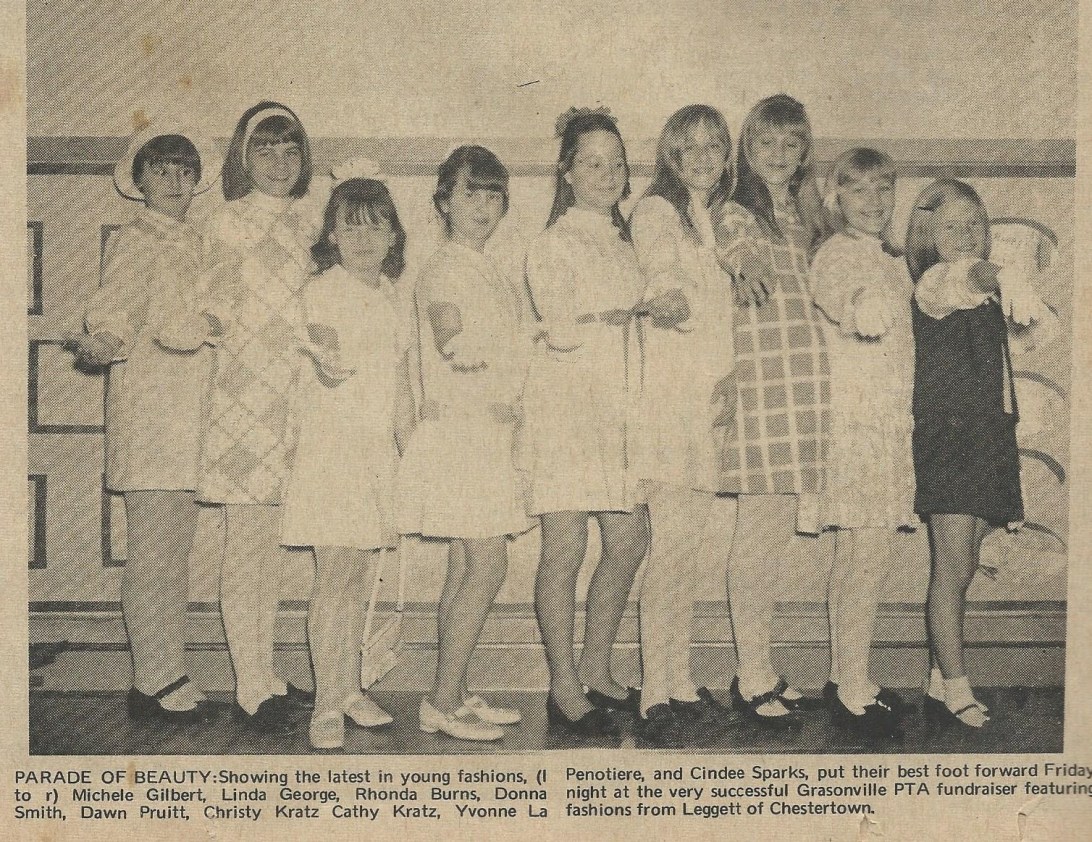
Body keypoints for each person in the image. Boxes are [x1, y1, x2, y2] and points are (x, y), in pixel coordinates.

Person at [69, 120, 221, 723]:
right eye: (161, 170)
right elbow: (113, 310)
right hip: (152, 416)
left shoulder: (201, 241)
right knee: (154, 552)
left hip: (193, 414)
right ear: (139, 180)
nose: (175, 181)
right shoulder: (134, 241)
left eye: (185, 171)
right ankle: (155, 678)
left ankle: (165, 670)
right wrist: (102, 341)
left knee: (175, 552)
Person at [199, 101, 329, 731]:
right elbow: (211, 305)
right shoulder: (226, 221)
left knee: (273, 546)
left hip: (298, 398)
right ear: (243, 158)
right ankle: (250, 685)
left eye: (289, 149)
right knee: (247, 546)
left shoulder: (310, 222)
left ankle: (267, 670)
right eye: (266, 150)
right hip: (245, 399)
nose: (280, 162)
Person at [398, 146, 534, 741]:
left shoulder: (486, 266)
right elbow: (449, 331)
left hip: (486, 434)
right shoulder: (445, 267)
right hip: (463, 435)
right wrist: (468, 349)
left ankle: (448, 694)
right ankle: (442, 702)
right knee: (487, 563)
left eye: (492, 194)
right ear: (444, 203)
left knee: (465, 566)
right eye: (469, 193)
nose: (482, 206)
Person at [522, 108, 650, 737]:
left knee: (629, 540)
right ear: (567, 172)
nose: (607, 173)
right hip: (568, 406)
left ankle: (597, 667)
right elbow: (562, 327)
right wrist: (620, 315)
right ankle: (564, 685)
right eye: (592, 162)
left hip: (622, 406)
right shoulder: (553, 242)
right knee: (566, 545)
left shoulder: (629, 243)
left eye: (616, 162)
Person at [907, 179, 1052, 730]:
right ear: (928, 234)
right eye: (952, 225)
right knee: (951, 566)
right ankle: (957, 688)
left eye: (975, 223)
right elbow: (967, 276)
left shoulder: (982, 293)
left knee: (963, 563)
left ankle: (938, 676)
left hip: (983, 437)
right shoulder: (935, 282)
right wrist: (1006, 275)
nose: (967, 233)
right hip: (949, 440)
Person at [281, 170, 416, 749]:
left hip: (376, 455)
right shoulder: (320, 291)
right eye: (351, 227)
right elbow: (322, 351)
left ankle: (349, 686)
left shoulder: (393, 297)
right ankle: (326, 704)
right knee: (335, 577)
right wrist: (326, 359)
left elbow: (402, 384)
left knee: (361, 576)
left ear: (393, 236)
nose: (363, 239)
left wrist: (412, 450)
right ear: (332, 235)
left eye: (376, 227)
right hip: (331, 454)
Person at [713, 94, 830, 728]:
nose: (779, 154)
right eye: (766, 143)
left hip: (809, 391)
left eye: (791, 143)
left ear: (805, 151)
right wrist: (747, 259)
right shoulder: (738, 211)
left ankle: (760, 664)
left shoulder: (812, 217)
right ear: (747, 149)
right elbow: (734, 246)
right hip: (763, 389)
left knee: (776, 536)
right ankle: (752, 674)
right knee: (757, 536)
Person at [629, 104, 738, 747]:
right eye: (688, 147)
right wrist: (667, 297)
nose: (701, 158)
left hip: (710, 402)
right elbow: (662, 273)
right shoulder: (656, 210)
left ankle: (682, 680)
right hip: (670, 402)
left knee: (691, 549)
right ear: (670, 154)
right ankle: (655, 690)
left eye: (713, 147)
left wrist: (733, 375)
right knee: (670, 549)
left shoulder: (717, 218)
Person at [810, 148, 916, 740]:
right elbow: (838, 292)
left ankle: (847, 676)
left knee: (862, 558)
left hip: (886, 424)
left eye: (883, 188)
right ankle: (851, 687)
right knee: (864, 557)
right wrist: (860, 306)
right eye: (859, 190)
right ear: (836, 198)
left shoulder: (890, 258)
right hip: (857, 430)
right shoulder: (838, 252)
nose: (873, 201)